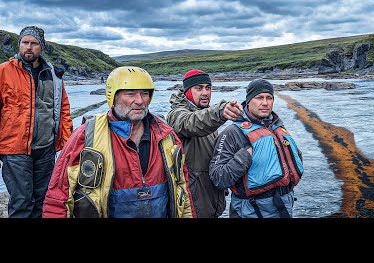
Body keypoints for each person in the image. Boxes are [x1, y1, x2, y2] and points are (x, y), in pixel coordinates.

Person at [42, 66, 195, 218]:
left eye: (145, 93)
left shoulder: (168, 137)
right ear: (112, 97)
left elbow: (183, 192)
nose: (140, 101)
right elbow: (58, 198)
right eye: (130, 94)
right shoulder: (85, 137)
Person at [0, 26, 73, 218]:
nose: (29, 48)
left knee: (44, 200)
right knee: (22, 202)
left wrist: (65, 145)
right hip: (14, 150)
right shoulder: (3, 72)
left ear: (42, 47)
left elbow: (63, 109)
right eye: (25, 43)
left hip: (46, 150)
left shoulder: (53, 75)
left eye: (34, 43)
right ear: (19, 45)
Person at [209, 78, 304, 218]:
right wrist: (244, 157)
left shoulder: (278, 127)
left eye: (269, 98)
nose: (265, 103)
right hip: (251, 209)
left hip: (284, 204)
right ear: (248, 100)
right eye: (259, 98)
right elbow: (218, 178)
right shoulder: (232, 133)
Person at [167, 69, 243, 218]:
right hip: (192, 203)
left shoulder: (206, 114)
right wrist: (221, 111)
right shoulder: (176, 115)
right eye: (199, 88)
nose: (205, 93)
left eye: (208, 88)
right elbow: (192, 123)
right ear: (188, 91)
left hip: (211, 198)